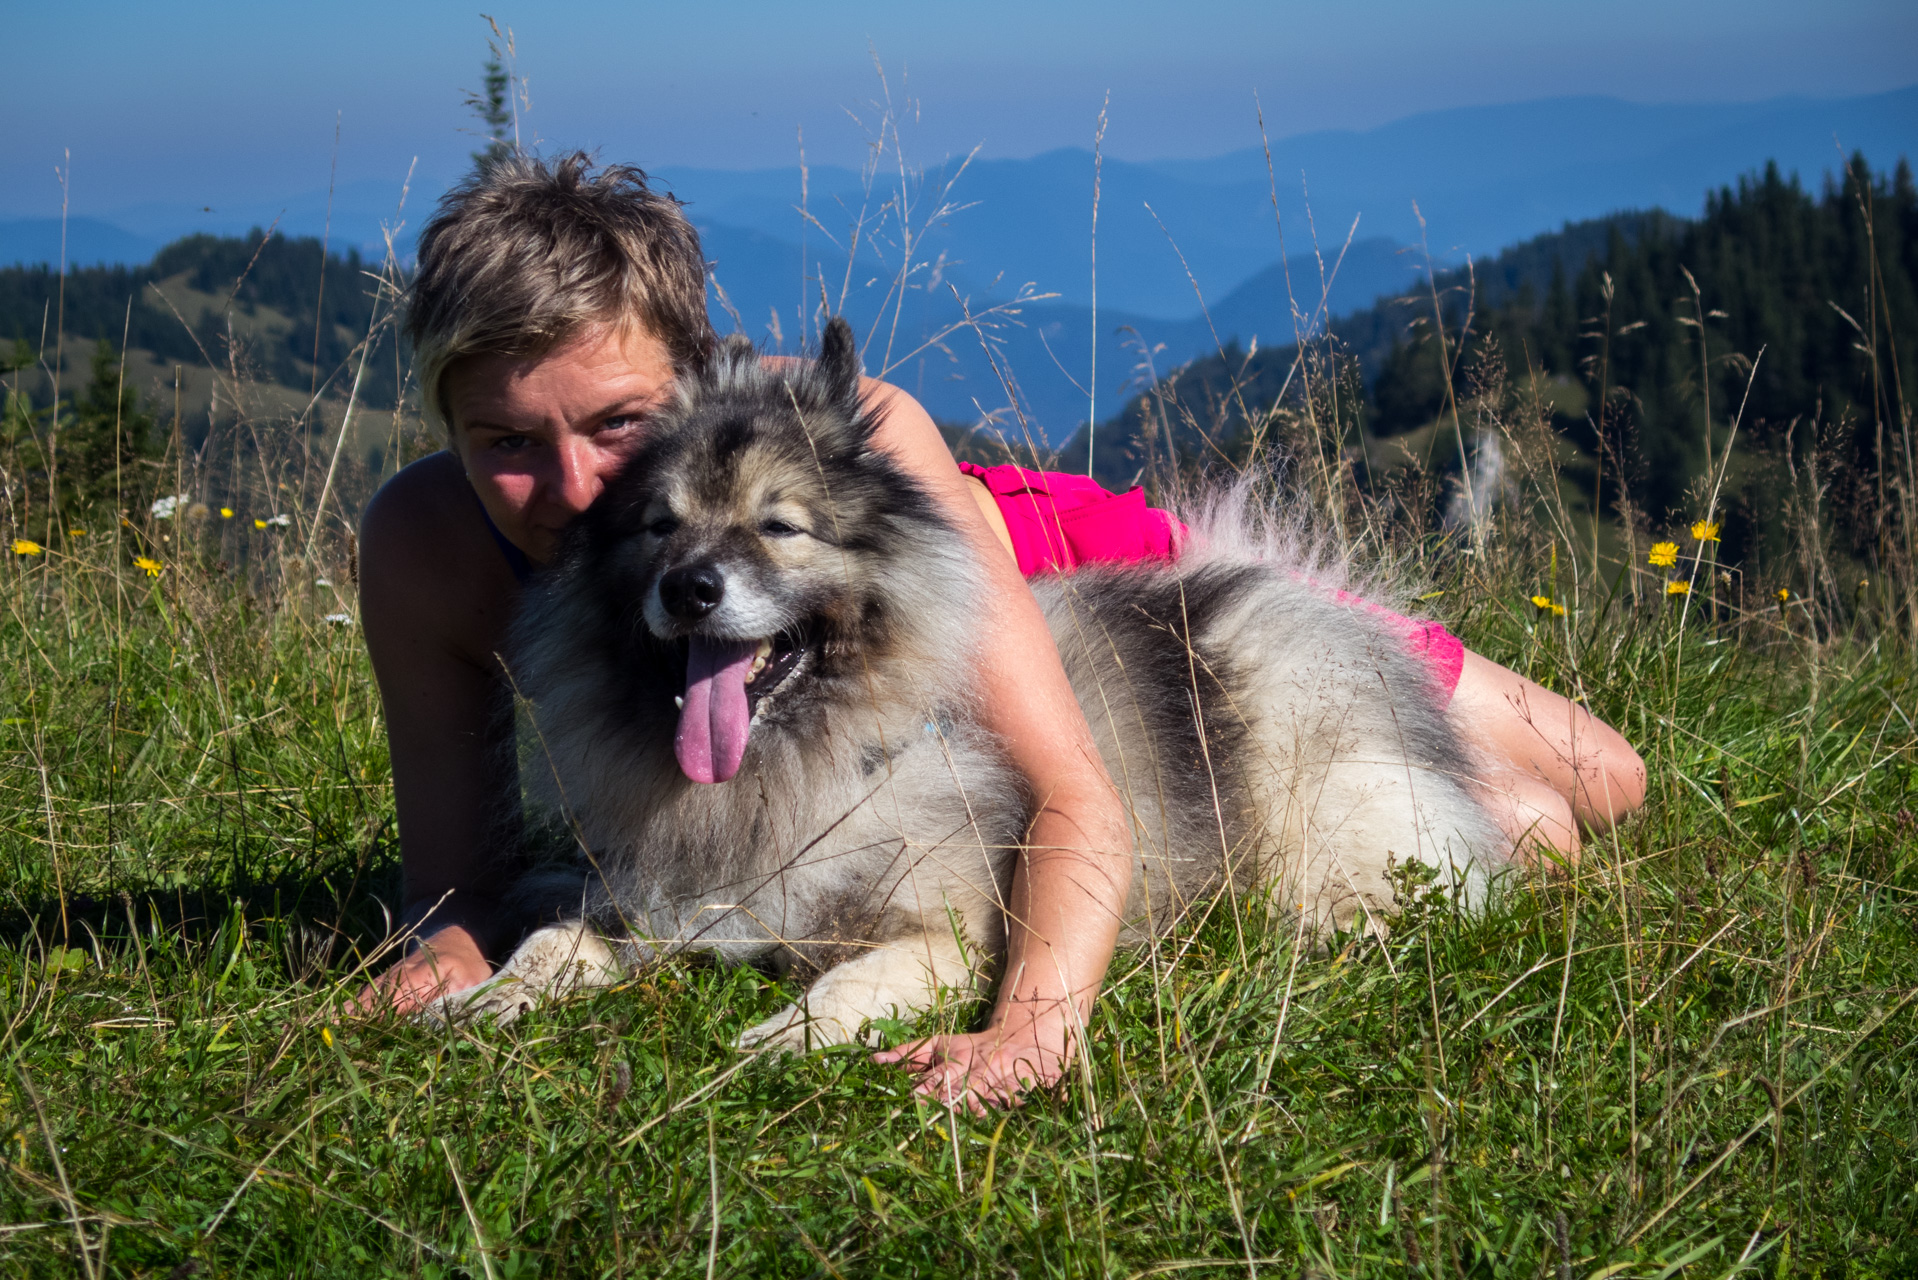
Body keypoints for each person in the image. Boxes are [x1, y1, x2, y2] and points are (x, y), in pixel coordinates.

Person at [353, 153, 1646, 1107]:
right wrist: (452, 952)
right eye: (506, 445)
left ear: (702, 381)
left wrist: (1033, 1024)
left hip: (1068, 572)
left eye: (616, 425)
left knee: (1603, 778)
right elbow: (452, 881)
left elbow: (1077, 792)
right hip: (826, 628)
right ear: (450, 428)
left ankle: (1458, 807)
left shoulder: (855, 438)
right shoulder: (427, 545)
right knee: (1518, 827)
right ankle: (1478, 819)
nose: (575, 487)